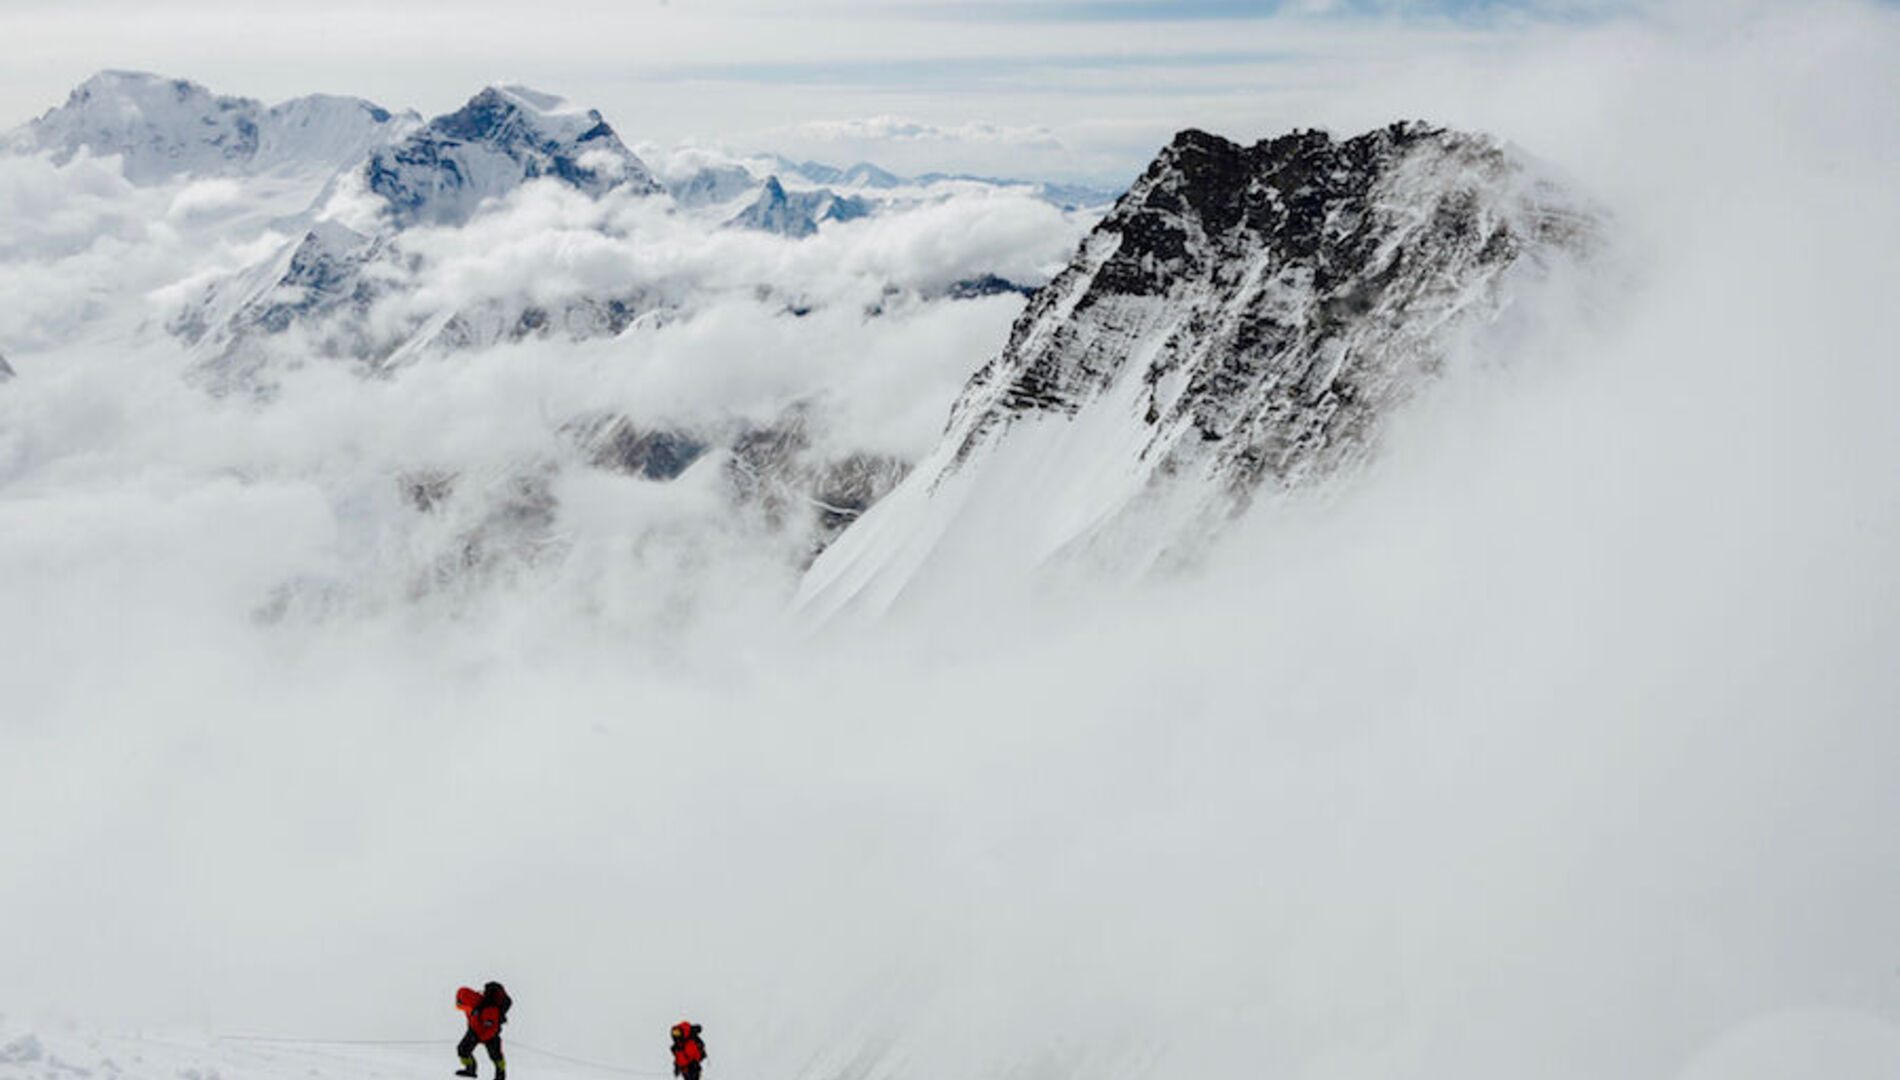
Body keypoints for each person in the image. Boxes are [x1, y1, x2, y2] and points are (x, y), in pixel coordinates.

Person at [455, 981, 512, 1080]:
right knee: (462, 1049)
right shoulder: (471, 1007)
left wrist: (479, 1037)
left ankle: (500, 1076)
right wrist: (472, 1031)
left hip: (490, 1035)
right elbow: (472, 1020)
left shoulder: (488, 1007)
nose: (463, 1009)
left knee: (496, 1056)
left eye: (463, 1006)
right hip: (475, 1031)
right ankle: (470, 1069)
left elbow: (492, 1028)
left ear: (468, 1002)